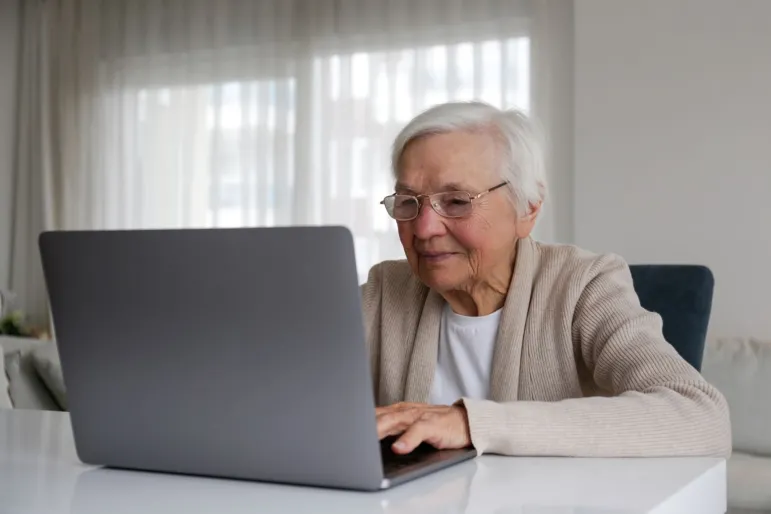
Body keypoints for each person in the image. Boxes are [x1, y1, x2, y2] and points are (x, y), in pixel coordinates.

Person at [363, 101, 731, 458]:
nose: (424, 229)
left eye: (457, 201)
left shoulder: (584, 286)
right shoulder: (384, 292)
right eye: (408, 201)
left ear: (528, 208)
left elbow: (701, 417)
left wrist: (473, 423)